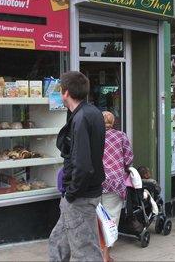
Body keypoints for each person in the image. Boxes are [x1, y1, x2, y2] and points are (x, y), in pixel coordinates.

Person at [49, 71, 106, 262]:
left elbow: (82, 164)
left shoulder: (81, 118)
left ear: (65, 93)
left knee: (85, 252)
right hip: (84, 194)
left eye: (60, 91)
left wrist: (72, 193)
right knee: (58, 242)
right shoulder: (93, 113)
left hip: (80, 197)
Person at [101, 111, 133, 262]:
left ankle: (96, 252)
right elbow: (128, 158)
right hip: (114, 182)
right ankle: (106, 255)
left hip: (95, 182)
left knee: (95, 218)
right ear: (113, 122)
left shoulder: (94, 136)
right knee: (111, 218)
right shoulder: (121, 136)